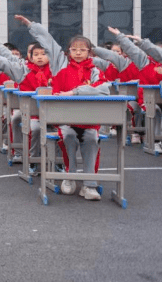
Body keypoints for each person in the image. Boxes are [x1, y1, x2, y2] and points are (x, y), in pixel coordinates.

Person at [20, 15, 110, 200]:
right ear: (68, 51)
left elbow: (103, 91)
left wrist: (74, 92)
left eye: (82, 50)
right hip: (66, 120)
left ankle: (89, 185)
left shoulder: (95, 71)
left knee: (92, 139)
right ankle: (69, 176)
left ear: (89, 52)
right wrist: (31, 26)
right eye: (74, 49)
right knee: (68, 137)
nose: (78, 53)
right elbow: (49, 43)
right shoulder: (60, 65)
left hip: (89, 121)